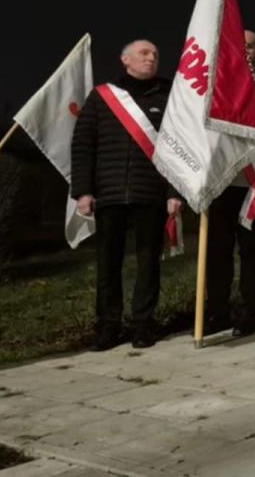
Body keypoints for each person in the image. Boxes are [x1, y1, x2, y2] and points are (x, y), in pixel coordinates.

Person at [71, 40, 183, 350]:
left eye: (155, 54)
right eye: (144, 53)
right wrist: (83, 191)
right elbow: (83, 146)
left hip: (151, 193)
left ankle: (143, 324)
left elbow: (179, 148)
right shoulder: (102, 97)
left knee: (149, 262)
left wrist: (174, 192)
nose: (151, 58)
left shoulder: (171, 94)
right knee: (108, 264)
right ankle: (108, 326)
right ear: (125, 59)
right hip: (108, 194)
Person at [204, 30, 255, 337]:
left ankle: (251, 310)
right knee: (217, 250)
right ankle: (217, 311)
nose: (245, 51)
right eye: (239, 47)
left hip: (253, 182)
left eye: (250, 46)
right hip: (220, 181)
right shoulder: (214, 88)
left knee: (252, 250)